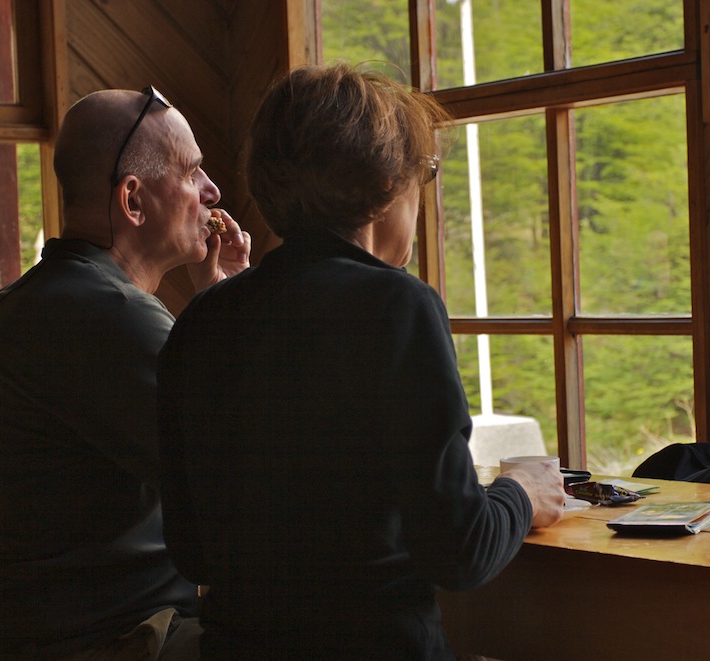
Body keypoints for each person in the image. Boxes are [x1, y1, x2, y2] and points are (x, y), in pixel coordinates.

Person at [156, 63, 566, 659]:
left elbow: (191, 552)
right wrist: (521, 491)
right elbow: (461, 550)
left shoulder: (201, 320)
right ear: (386, 184)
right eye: (423, 176)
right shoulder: (397, 305)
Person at [0, 86, 251, 659]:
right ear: (133, 201)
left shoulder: (44, 299)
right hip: (109, 640)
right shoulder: (106, 316)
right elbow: (247, 476)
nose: (212, 191)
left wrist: (217, 304)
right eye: (193, 171)